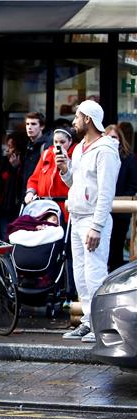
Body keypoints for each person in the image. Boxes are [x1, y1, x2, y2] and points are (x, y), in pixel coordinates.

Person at [58, 100, 121, 343]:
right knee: (80, 274)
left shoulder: (106, 149)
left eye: (77, 116)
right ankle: (88, 321)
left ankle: (99, 325)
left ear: (88, 119)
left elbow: (106, 191)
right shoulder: (79, 148)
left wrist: (97, 225)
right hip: (77, 217)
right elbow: (76, 184)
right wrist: (65, 171)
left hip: (93, 220)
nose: (74, 121)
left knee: (94, 273)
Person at [23, 127, 76, 220]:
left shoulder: (76, 154)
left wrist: (66, 162)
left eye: (62, 142)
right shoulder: (47, 154)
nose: (58, 145)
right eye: (55, 142)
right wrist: (30, 193)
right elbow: (34, 179)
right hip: (44, 207)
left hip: (65, 207)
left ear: (70, 141)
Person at [104, 124, 137, 271]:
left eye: (114, 137)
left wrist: (123, 198)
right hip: (103, 208)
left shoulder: (128, 157)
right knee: (104, 245)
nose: (111, 140)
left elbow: (133, 183)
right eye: (108, 137)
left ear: (120, 139)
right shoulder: (100, 156)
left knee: (117, 244)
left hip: (121, 208)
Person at [0, 131, 27, 238]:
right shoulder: (3, 163)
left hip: (17, 207)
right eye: (7, 146)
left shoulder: (25, 164)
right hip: (3, 207)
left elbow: (19, 186)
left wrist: (15, 168)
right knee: (5, 236)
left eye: (11, 147)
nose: (7, 150)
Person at [23, 111, 50, 198]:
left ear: (42, 126)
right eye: (27, 124)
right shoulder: (28, 145)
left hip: (38, 194)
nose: (29, 127)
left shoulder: (46, 146)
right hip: (27, 192)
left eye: (33, 124)